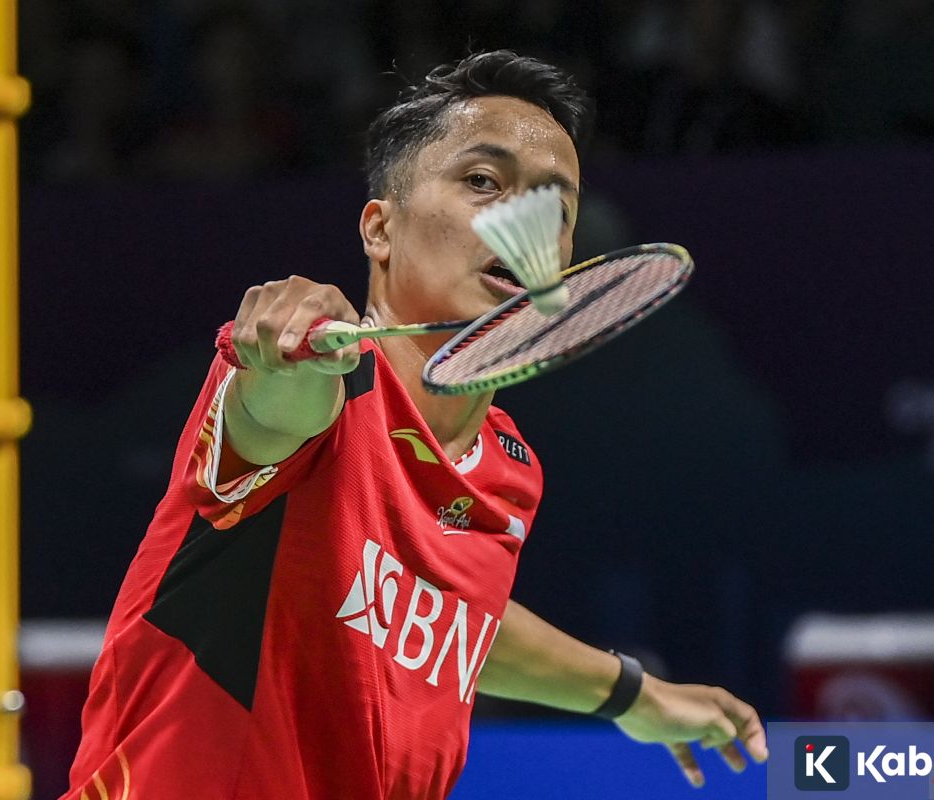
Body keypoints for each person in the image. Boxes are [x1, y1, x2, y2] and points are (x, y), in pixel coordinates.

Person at [62, 49, 769, 800]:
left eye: (554, 208)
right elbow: (276, 413)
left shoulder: (510, 467)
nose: (523, 220)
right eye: (483, 181)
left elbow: (455, 618)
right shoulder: (328, 392)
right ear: (380, 228)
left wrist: (634, 696)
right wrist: (286, 358)